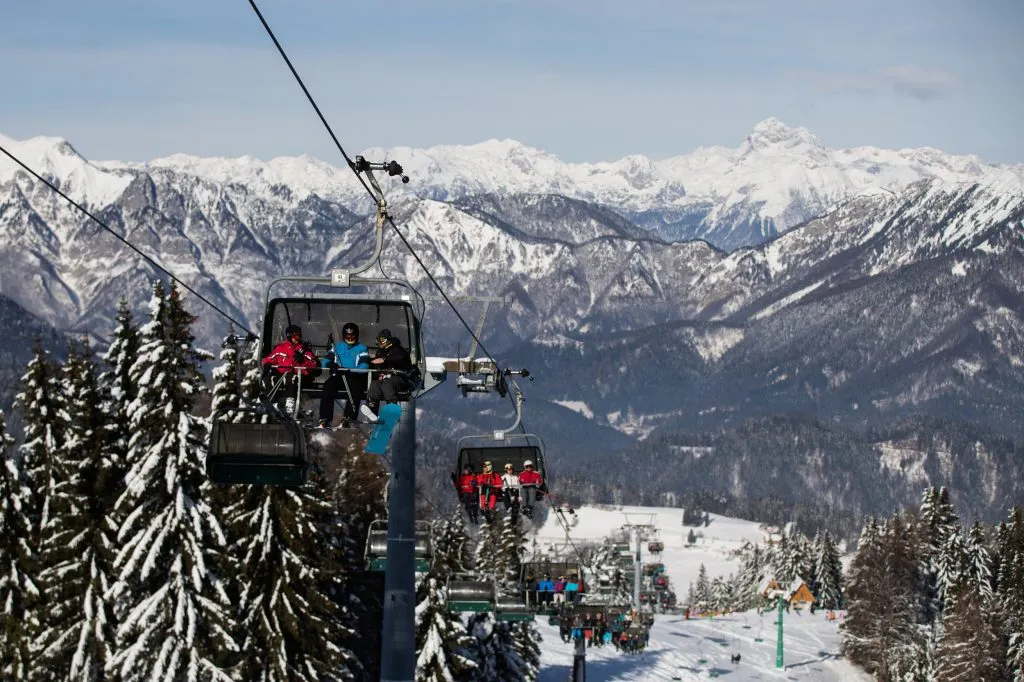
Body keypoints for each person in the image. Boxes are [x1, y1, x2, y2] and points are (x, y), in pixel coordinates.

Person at [317, 322, 370, 428]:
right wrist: (330, 364)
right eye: (348, 336)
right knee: (328, 387)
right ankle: (325, 418)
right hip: (337, 375)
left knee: (356, 390)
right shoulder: (337, 347)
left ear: (357, 335)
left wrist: (350, 370)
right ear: (344, 336)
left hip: (353, 376)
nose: (350, 338)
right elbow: (325, 361)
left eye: (353, 336)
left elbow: (364, 367)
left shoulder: (362, 348)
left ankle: (348, 418)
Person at [261, 324, 318, 415]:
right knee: (267, 380)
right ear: (289, 335)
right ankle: (272, 402)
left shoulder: (304, 350)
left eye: (299, 335)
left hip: (299, 375)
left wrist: (302, 361)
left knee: (290, 377)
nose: (298, 338)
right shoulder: (280, 348)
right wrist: (267, 364)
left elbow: (313, 364)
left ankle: (290, 405)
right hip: (282, 375)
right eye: (295, 335)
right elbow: (269, 359)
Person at [359, 329, 413, 422]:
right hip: (384, 378)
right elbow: (376, 363)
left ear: (388, 340)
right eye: (378, 340)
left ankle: (391, 407)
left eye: (382, 340)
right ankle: (372, 407)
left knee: (387, 383)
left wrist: (385, 359)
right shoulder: (380, 351)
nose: (380, 342)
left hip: (399, 378)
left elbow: (399, 358)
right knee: (375, 384)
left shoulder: (397, 349)